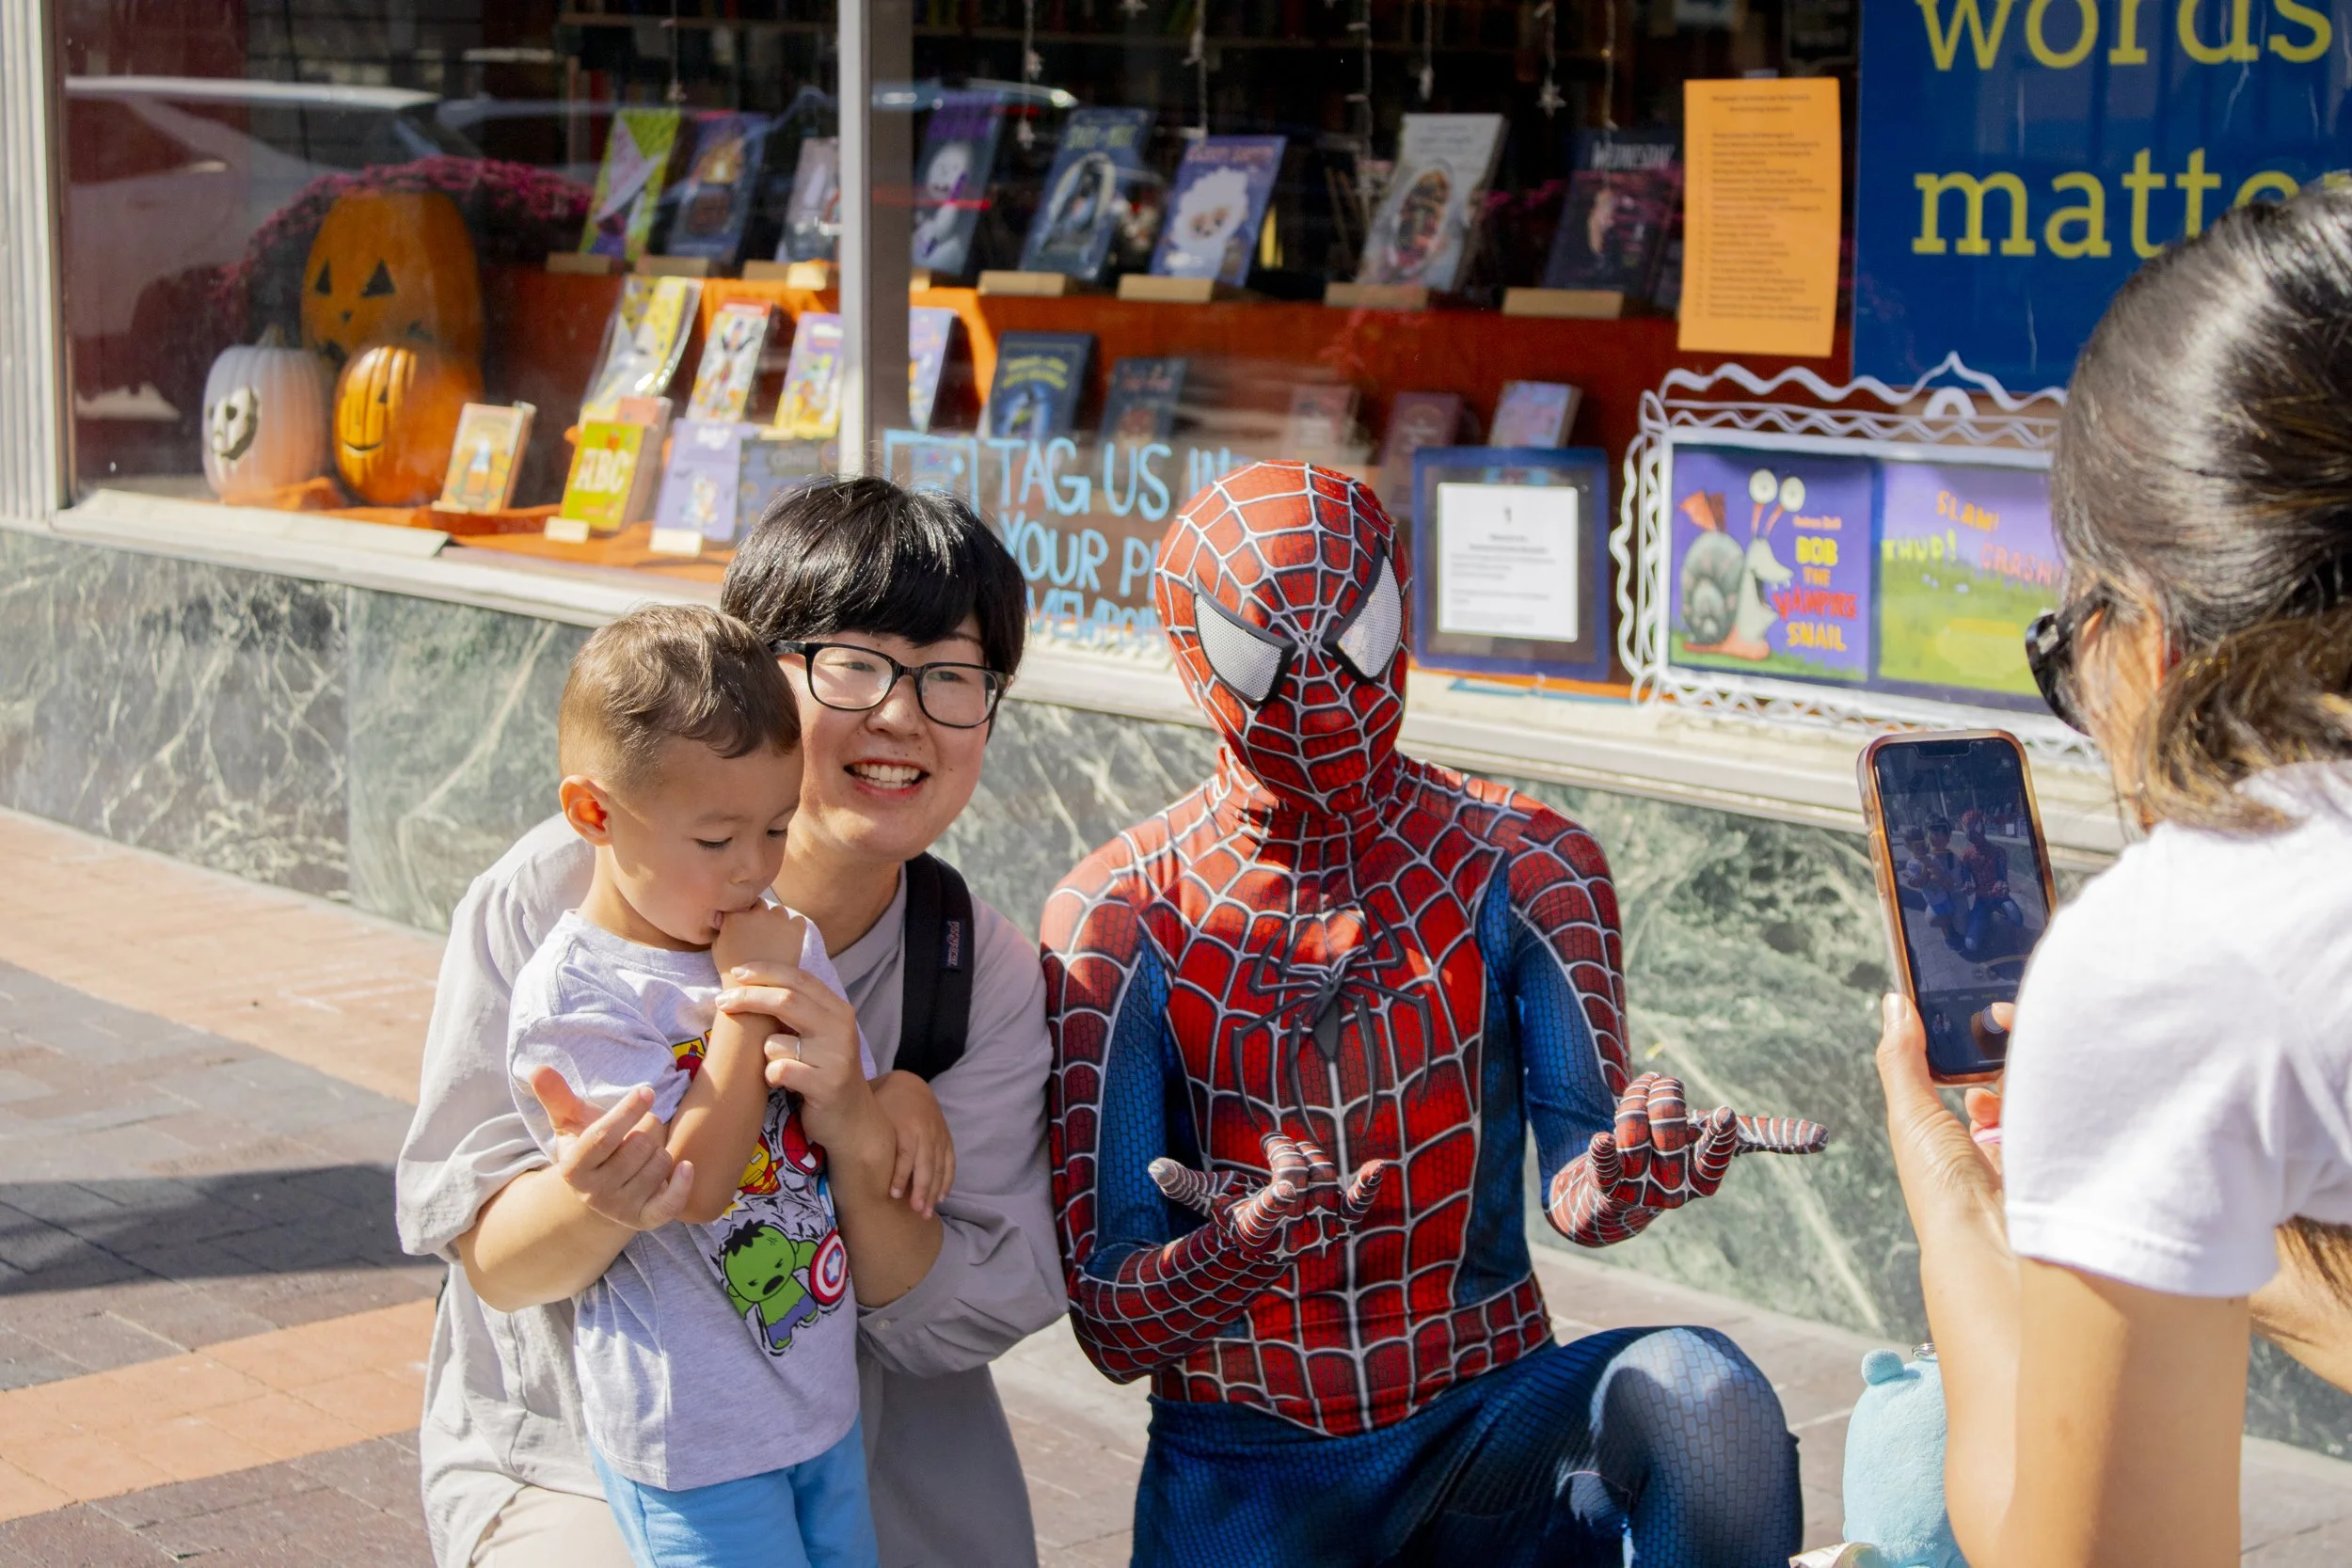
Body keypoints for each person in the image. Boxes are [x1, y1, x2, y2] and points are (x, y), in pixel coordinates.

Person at [1042, 461, 1829, 1568]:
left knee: (1708, 1399)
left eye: (1354, 641)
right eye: (1265, 662)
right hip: (1245, 1459)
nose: (1322, 698)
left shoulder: (1526, 864)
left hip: (1490, 1419)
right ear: (1191, 655)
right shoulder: (1123, 917)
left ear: (1399, 606)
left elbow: (1577, 1179)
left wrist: (1622, 1172)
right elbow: (1111, 1324)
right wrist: (1233, 1251)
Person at [397, 478, 1067, 1568]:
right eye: (855, 662)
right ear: (752, 673)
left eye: (952, 674)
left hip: (871, 1451)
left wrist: (860, 1123)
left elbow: (956, 1316)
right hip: (593, 1452)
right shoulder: (557, 897)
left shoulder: (971, 964)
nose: (903, 714)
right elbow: (497, 1266)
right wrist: (595, 1193)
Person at [1878, 189, 2352, 1568]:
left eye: (2062, 645)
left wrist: (1965, 1211)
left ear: (2149, 635)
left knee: (1909, 1470)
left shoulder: (2186, 946)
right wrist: (2182, 1200)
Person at [507, 606, 879, 1566]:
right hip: (693, 1434)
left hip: (814, 1395)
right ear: (595, 812)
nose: (755, 866)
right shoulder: (579, 994)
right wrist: (748, 1003)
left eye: (776, 827)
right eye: (716, 839)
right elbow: (689, 1185)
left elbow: (847, 1094)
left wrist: (897, 1101)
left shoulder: (773, 930)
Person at [1952, 810, 2021, 959]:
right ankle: (1984, 925)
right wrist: (1967, 886)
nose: (1971, 834)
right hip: (1981, 900)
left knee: (2016, 917)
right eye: (1967, 829)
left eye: (1974, 827)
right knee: (1971, 944)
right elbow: (1966, 880)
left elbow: (2003, 878)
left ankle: (2013, 939)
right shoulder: (1967, 856)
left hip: (2000, 898)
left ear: (1981, 826)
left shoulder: (1998, 852)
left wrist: (2002, 885)